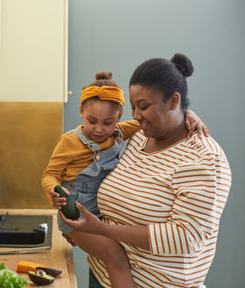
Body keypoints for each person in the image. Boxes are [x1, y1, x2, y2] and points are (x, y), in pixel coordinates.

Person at [59, 53, 231, 288]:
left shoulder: (204, 160)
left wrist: (100, 229)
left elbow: (184, 239)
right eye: (132, 107)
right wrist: (82, 231)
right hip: (101, 276)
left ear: (173, 101)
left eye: (144, 106)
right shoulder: (138, 138)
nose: (135, 115)